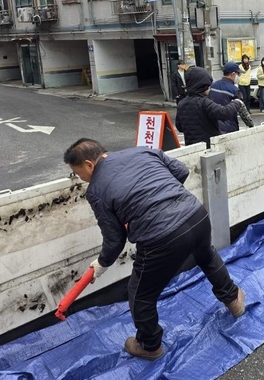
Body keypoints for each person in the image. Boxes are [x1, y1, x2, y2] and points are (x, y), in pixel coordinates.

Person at [63, 139, 245, 360]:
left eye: (78, 173)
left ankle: (149, 346)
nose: (81, 178)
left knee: (140, 294)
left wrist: (102, 263)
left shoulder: (96, 190)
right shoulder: (141, 151)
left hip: (161, 237)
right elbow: (181, 170)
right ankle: (234, 300)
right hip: (195, 215)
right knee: (206, 256)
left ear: (89, 164)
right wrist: (167, 197)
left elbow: (115, 238)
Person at [175, 67, 246, 148]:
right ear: (202, 86)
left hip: (191, 147)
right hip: (208, 147)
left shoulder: (181, 103)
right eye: (208, 86)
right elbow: (224, 113)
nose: (209, 89)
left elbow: (179, 127)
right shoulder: (203, 102)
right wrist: (237, 102)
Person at [210, 62, 254, 134]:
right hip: (229, 128)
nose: (239, 76)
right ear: (233, 74)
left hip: (213, 126)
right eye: (238, 74)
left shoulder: (213, 86)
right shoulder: (235, 90)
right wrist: (251, 125)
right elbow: (242, 111)